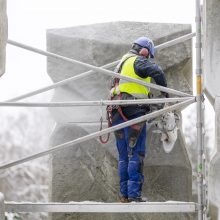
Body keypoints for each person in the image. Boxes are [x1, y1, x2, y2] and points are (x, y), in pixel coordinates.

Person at [110, 37, 168, 203]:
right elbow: (157, 72)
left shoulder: (121, 63)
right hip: (133, 110)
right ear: (144, 50)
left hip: (115, 111)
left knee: (123, 156)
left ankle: (124, 195)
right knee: (136, 153)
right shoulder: (138, 61)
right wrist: (165, 94)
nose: (147, 58)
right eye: (148, 55)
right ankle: (134, 194)